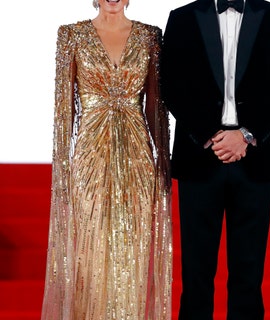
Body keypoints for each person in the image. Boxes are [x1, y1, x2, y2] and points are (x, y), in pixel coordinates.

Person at [160, 0, 270, 318]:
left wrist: (246, 135)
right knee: (195, 275)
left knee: (248, 276)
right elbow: (172, 83)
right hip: (199, 157)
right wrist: (210, 134)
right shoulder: (183, 17)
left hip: (254, 159)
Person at [41, 0, 172, 319]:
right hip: (89, 156)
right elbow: (63, 111)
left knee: (131, 248)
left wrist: (165, 162)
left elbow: (156, 105)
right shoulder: (71, 35)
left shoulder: (151, 36)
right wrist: (63, 167)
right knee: (91, 248)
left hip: (137, 154)